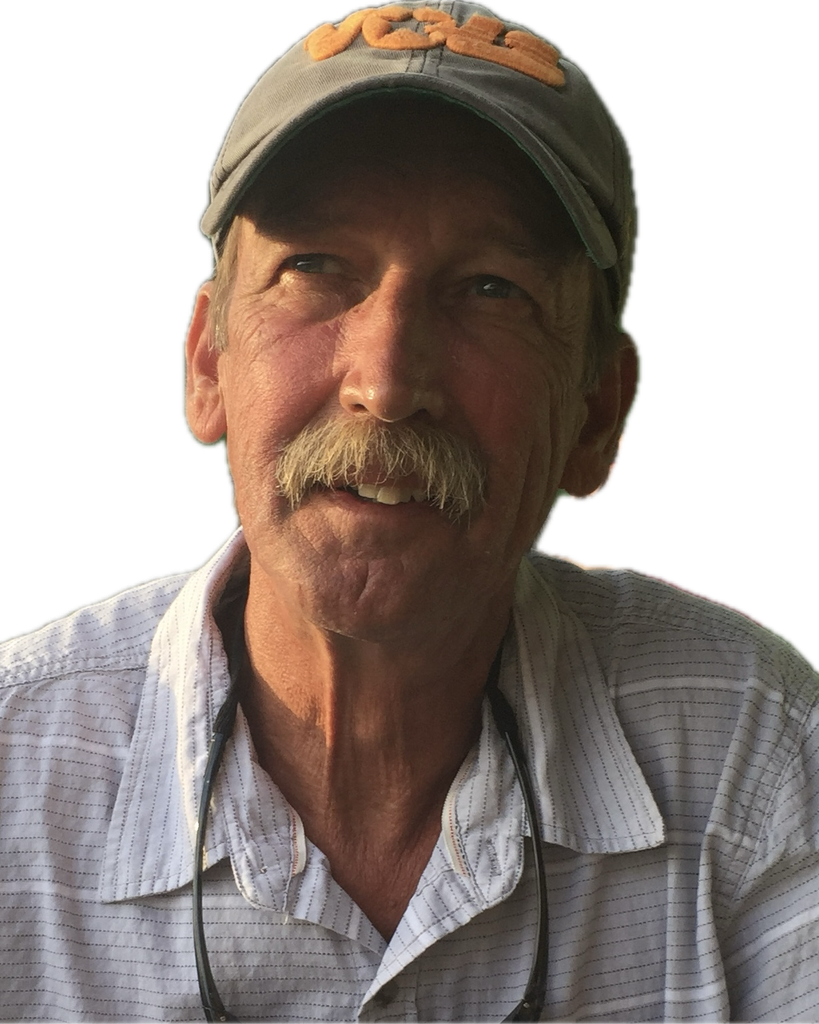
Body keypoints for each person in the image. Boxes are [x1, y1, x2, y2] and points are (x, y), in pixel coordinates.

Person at [1, 3, 816, 1022]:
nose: (386, 384)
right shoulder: (12, 769)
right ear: (208, 363)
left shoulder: (753, 749)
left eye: (490, 288)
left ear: (598, 414)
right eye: (313, 268)